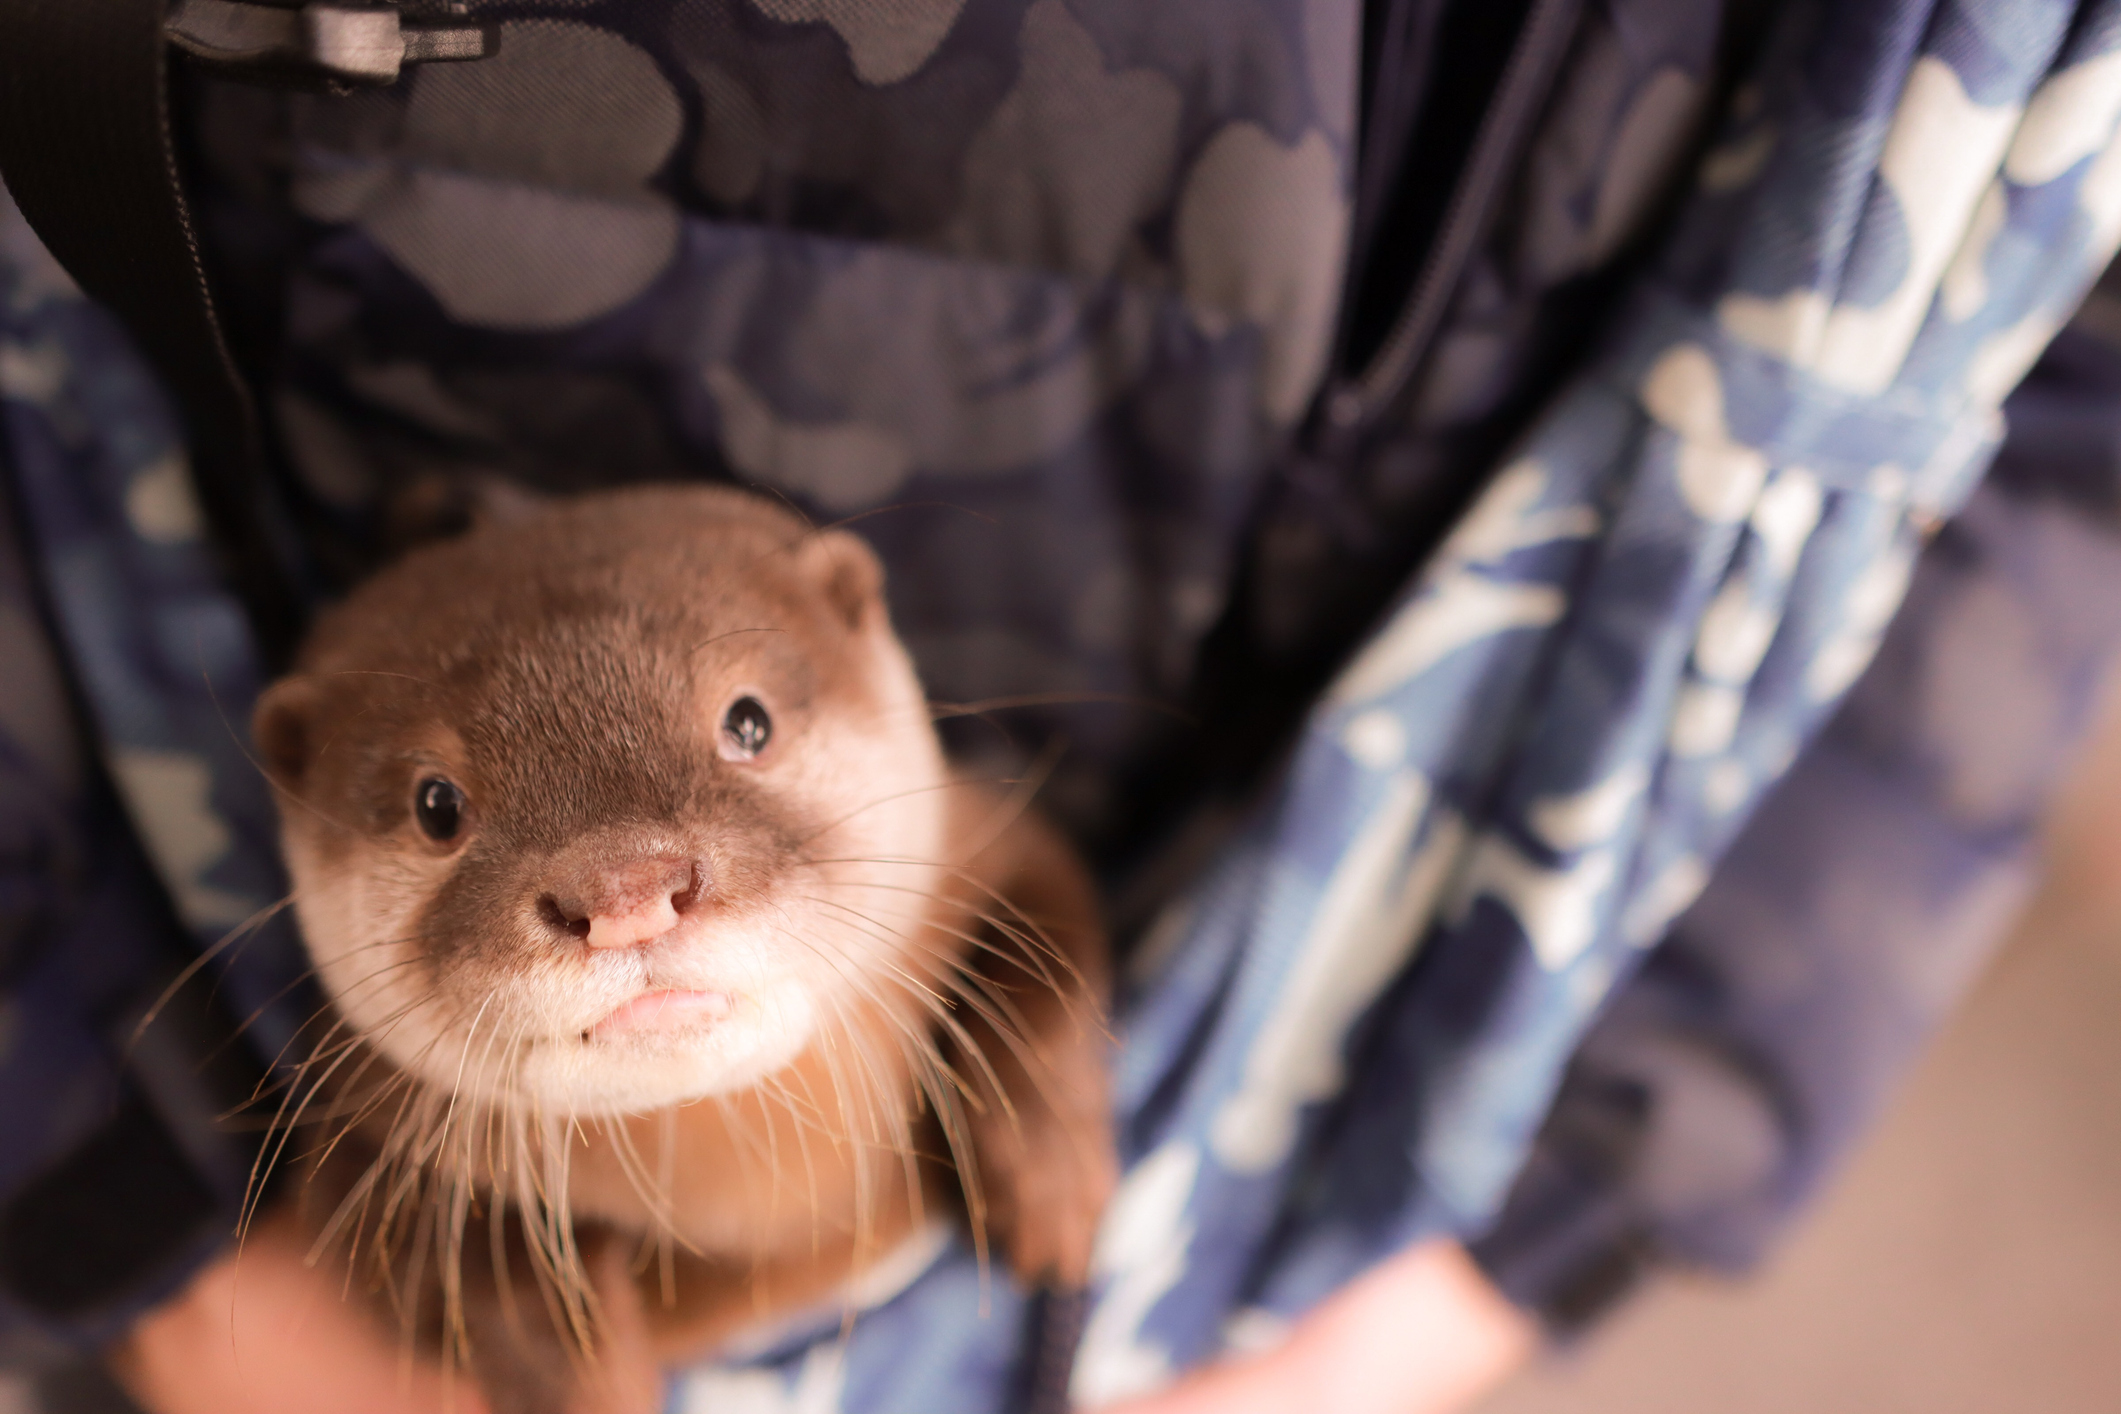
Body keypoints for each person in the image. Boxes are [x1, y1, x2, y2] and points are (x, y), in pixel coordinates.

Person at [6, 0, 2121, 1409]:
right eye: (449, 816)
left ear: (860, 638)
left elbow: (2063, 392)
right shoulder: (329, 1099)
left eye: (742, 737)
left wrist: (1499, 1235)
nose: (627, 889)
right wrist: (150, 1233)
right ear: (308, 784)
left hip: (1326, 1188)